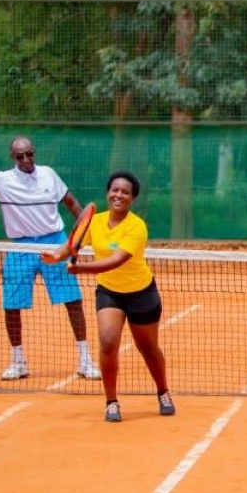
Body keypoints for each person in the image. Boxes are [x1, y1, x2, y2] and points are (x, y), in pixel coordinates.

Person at [0, 137, 100, 381]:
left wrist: (83, 237)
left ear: (34, 152)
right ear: (12, 158)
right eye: (20, 156)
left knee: (73, 302)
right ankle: (18, 362)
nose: (26, 160)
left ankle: (85, 360)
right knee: (12, 306)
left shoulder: (49, 174)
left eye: (29, 154)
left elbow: (72, 203)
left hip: (54, 242)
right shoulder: (2, 181)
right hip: (20, 247)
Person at [42, 172, 173, 422]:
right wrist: (56, 256)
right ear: (108, 192)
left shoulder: (136, 226)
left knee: (148, 348)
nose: (118, 195)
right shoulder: (96, 221)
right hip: (110, 293)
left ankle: (163, 391)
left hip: (141, 293)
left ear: (132, 198)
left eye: (125, 192)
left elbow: (115, 261)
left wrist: (80, 269)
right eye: (115, 190)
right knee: (108, 341)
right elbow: (73, 242)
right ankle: (111, 401)